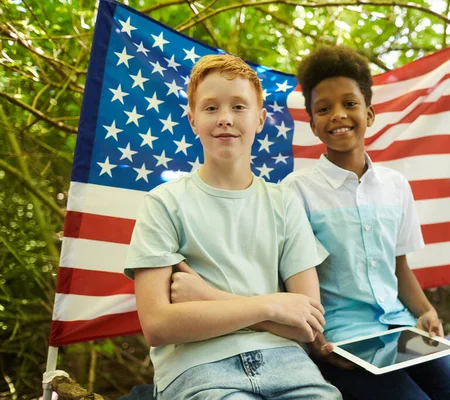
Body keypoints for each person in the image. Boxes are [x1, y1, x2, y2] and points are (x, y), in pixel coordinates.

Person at [125, 54, 342, 400]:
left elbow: (307, 321)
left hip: (289, 366)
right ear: (192, 119)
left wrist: (207, 298)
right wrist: (271, 306)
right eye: (211, 108)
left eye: (239, 107)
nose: (225, 118)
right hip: (199, 371)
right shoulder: (163, 204)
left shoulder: (283, 203)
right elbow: (158, 325)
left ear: (260, 119)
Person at [281, 45, 450, 400]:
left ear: (370, 113)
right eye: (324, 109)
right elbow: (292, 281)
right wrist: (315, 342)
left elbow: (399, 267)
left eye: (350, 103)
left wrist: (425, 311)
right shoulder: (296, 191)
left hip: (403, 331)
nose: (338, 115)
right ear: (313, 125)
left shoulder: (395, 186)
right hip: (342, 342)